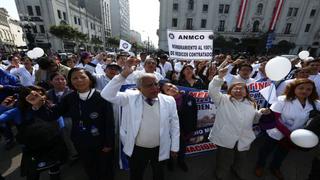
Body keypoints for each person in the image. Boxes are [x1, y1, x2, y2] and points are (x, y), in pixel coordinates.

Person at [27, 68, 115, 180]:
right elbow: (51, 115)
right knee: (89, 168)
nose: (79, 80)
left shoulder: (102, 96)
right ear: (71, 81)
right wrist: (37, 105)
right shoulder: (69, 98)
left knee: (105, 169)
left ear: (90, 79)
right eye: (74, 78)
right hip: (80, 141)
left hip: (101, 142)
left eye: (82, 77)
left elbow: (109, 123)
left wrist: (108, 143)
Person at [100, 58, 180, 180]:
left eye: (156, 84)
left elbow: (174, 125)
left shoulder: (169, 100)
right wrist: (123, 75)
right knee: (136, 175)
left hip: (160, 147)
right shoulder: (130, 97)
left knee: (159, 175)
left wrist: (174, 147)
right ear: (139, 88)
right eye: (149, 85)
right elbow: (106, 94)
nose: (155, 88)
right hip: (136, 149)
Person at [208, 68, 270, 180]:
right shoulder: (223, 99)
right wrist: (219, 77)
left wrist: (260, 113)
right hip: (226, 136)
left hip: (244, 137)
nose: (238, 91)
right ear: (230, 91)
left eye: (241, 89)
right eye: (235, 89)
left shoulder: (252, 104)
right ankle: (221, 174)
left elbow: (254, 120)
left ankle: (237, 170)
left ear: (246, 92)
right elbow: (212, 91)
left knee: (241, 158)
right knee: (224, 158)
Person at [255, 78, 320, 180]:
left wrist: (293, 136)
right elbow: (274, 119)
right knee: (266, 150)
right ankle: (260, 166)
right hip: (276, 133)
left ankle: (275, 167)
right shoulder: (282, 99)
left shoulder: (315, 103)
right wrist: (289, 135)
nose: (304, 91)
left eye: (309, 89)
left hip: (295, 136)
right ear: (294, 88)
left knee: (282, 153)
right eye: (301, 88)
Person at [0, 86, 66, 180]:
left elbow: (60, 124)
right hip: (31, 149)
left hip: (53, 145)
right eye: (33, 96)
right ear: (25, 99)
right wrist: (2, 108)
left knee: (54, 169)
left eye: (41, 94)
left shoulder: (49, 107)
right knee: (32, 173)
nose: (39, 97)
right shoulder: (18, 112)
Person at [160, 81, 197, 172]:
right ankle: (170, 163)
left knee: (182, 148)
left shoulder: (189, 97)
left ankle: (181, 162)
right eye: (168, 89)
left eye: (171, 86)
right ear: (164, 93)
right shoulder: (164, 103)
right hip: (170, 133)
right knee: (169, 149)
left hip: (185, 131)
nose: (172, 89)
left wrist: (192, 128)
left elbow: (194, 114)